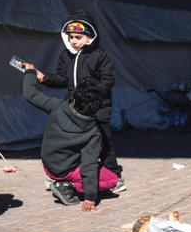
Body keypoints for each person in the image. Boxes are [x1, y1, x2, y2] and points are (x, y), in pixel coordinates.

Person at [23, 10, 125, 193]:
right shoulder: (65, 56)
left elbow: (108, 80)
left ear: (90, 36)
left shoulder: (101, 55)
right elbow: (62, 80)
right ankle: (71, 176)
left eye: (78, 37)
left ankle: (115, 177)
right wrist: (44, 78)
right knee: (73, 143)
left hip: (97, 109)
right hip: (73, 109)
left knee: (103, 143)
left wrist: (90, 96)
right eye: (70, 37)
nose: (73, 41)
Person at [22, 64, 116, 211]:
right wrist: (90, 198)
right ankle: (68, 186)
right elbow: (89, 166)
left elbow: (30, 95)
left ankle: (62, 182)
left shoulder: (57, 106)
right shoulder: (93, 131)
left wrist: (29, 72)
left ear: (74, 100)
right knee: (112, 180)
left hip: (49, 165)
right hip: (67, 170)